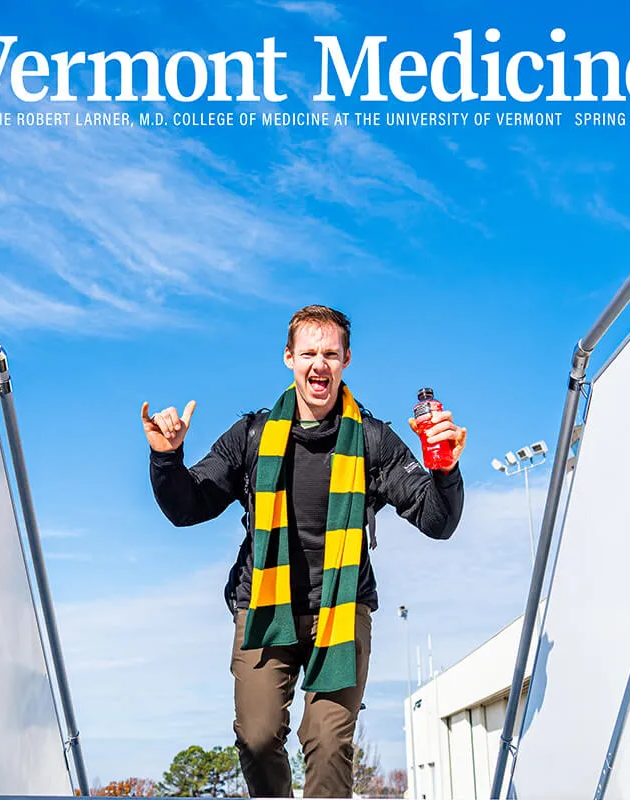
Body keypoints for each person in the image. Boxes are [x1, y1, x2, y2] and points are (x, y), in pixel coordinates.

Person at [141, 305, 466, 798]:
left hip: (340, 610)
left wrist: (445, 471)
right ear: (289, 358)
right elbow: (188, 506)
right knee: (256, 736)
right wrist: (167, 459)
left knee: (327, 743)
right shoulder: (252, 435)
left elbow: (437, 520)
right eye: (309, 353)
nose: (320, 364)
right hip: (264, 607)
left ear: (347, 360)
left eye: (331, 354)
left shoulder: (373, 441)